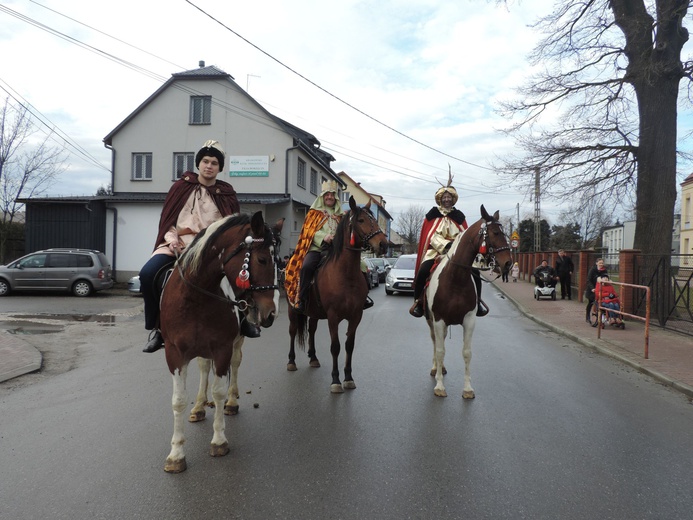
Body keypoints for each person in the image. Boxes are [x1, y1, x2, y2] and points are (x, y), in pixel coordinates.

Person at [139, 140, 255, 354]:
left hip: (211, 250)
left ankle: (243, 318)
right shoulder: (180, 188)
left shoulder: (226, 194)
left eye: (214, 163)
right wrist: (171, 237)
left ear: (220, 168)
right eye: (205, 161)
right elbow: (168, 221)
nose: (209, 166)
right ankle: (157, 329)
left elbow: (231, 229)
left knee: (239, 274)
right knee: (147, 274)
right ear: (198, 164)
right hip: (178, 244)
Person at [286, 180, 375, 312]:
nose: (329, 197)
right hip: (318, 249)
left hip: (337, 250)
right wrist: (324, 237)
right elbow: (308, 232)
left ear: (335, 197)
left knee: (362, 265)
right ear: (322, 196)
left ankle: (364, 297)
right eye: (327, 194)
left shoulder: (341, 215)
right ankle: (302, 299)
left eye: (332, 195)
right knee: (306, 266)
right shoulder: (313, 213)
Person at [409, 181, 488, 318]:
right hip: (436, 251)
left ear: (453, 199)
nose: (446, 200)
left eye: (449, 197)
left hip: (457, 252)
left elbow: (464, 236)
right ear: (440, 199)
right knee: (423, 271)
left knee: (475, 271)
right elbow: (431, 236)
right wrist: (447, 246)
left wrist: (456, 246)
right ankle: (418, 302)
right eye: (444, 197)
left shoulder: (459, 217)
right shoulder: (431, 216)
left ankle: (478, 301)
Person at [585, 258, 608, 324]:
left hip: (601, 289)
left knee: (602, 301)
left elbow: (606, 277)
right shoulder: (592, 270)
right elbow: (589, 280)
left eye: (602, 263)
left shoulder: (604, 270)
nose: (601, 264)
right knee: (591, 302)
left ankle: (602, 317)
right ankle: (587, 316)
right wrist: (592, 288)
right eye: (600, 263)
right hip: (592, 289)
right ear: (596, 263)